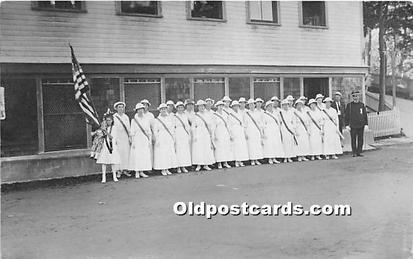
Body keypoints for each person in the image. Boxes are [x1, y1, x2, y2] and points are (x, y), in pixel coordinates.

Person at [152, 103, 177, 176]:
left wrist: (173, 137)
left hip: (168, 137)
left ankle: (167, 168)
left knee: (168, 152)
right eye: (162, 109)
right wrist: (157, 139)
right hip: (161, 137)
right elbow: (155, 130)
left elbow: (172, 128)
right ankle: (163, 169)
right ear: (159, 110)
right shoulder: (156, 120)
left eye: (165, 109)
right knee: (162, 153)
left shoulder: (169, 118)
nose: (163, 110)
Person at [96, 110, 120, 183]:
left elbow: (111, 137)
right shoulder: (104, 127)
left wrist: (105, 131)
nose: (108, 122)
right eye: (107, 120)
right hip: (105, 146)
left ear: (112, 121)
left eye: (109, 120)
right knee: (104, 162)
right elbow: (101, 136)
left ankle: (114, 176)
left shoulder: (114, 128)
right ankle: (103, 177)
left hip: (111, 146)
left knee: (113, 162)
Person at [128, 103, 151, 178]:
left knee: (143, 155)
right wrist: (133, 142)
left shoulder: (146, 119)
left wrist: (149, 140)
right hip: (137, 139)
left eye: (141, 109)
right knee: (137, 155)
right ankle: (137, 171)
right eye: (139, 109)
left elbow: (148, 131)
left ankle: (142, 171)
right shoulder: (134, 120)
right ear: (136, 111)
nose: (140, 111)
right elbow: (132, 132)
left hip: (144, 139)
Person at [191, 100, 215, 171]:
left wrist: (211, 133)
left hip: (206, 133)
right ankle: (199, 164)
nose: (201, 107)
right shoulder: (195, 116)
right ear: (198, 107)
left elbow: (211, 125)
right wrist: (194, 135)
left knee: (206, 148)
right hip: (199, 133)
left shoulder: (207, 114)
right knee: (199, 149)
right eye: (200, 106)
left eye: (202, 106)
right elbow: (193, 127)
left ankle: (206, 164)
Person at [345, 90, 368, 157]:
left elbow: (365, 115)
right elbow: (346, 115)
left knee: (360, 139)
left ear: (359, 97)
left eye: (357, 96)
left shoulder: (362, 105)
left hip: (361, 125)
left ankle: (359, 152)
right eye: (354, 96)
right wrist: (347, 125)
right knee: (353, 139)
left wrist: (366, 124)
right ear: (352, 97)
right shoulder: (349, 105)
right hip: (353, 125)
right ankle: (354, 152)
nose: (356, 97)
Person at [112, 101, 131, 178]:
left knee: (126, 153)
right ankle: (118, 171)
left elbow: (129, 128)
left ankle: (125, 169)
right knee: (118, 153)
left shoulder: (126, 117)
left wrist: (130, 137)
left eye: (122, 107)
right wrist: (114, 139)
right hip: (117, 137)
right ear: (116, 108)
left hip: (125, 137)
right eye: (119, 107)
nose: (121, 108)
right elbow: (113, 128)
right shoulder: (114, 117)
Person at [212, 100, 233, 169]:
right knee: (219, 147)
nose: (220, 107)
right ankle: (219, 163)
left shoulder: (225, 114)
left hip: (225, 131)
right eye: (219, 106)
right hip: (218, 131)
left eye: (222, 106)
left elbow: (228, 124)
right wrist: (214, 135)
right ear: (217, 107)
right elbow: (213, 126)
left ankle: (225, 162)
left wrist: (230, 133)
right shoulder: (214, 115)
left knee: (225, 146)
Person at [228, 100, 249, 167]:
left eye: (237, 106)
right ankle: (236, 161)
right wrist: (231, 133)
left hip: (240, 130)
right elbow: (229, 125)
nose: (236, 107)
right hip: (234, 130)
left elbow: (243, 123)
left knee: (241, 146)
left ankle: (241, 160)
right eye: (234, 106)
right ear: (232, 107)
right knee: (236, 146)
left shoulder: (240, 113)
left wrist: (244, 132)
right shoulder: (230, 114)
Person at [173, 101, 192, 173]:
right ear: (177, 108)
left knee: (184, 150)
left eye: (182, 107)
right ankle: (178, 167)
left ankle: (183, 166)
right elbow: (173, 127)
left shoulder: (185, 116)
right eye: (179, 107)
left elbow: (187, 126)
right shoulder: (174, 117)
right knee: (178, 150)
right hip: (178, 134)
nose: (180, 109)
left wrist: (188, 134)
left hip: (184, 134)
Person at [244, 99, 264, 165]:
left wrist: (261, 131)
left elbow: (260, 122)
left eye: (252, 104)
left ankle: (257, 159)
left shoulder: (257, 113)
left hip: (256, 130)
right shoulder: (246, 113)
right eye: (250, 104)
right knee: (251, 145)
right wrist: (246, 133)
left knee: (257, 145)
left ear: (254, 105)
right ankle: (252, 160)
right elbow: (245, 124)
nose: (251, 106)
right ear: (248, 106)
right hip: (250, 130)